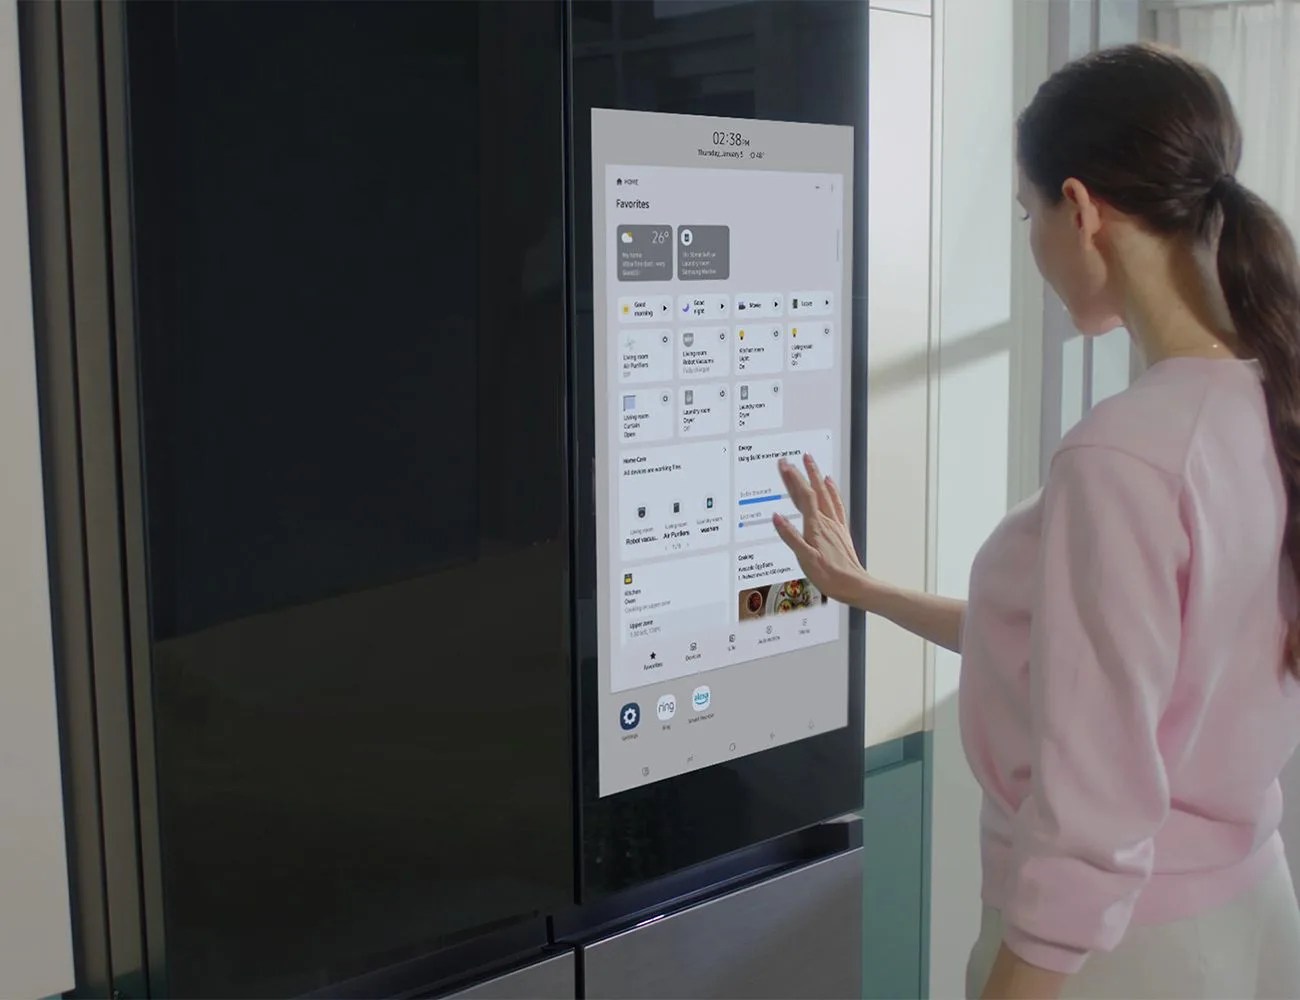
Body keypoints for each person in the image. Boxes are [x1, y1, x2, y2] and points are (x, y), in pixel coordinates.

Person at [773, 43, 1300, 1000]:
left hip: (1119, 957)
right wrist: (862, 590)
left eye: (1028, 216)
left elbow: (1093, 811)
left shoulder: (1123, 455)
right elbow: (1091, 663)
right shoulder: (1266, 399)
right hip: (1250, 918)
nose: (1033, 244)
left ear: (1082, 209)